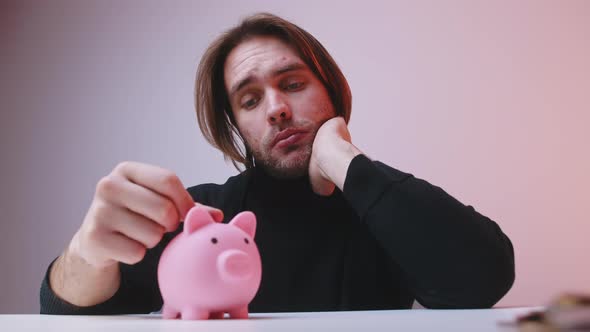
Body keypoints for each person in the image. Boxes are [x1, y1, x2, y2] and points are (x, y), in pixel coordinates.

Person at [40, 13, 515, 315]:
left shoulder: (388, 208)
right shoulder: (202, 216)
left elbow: (483, 280)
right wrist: (88, 251)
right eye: (250, 99)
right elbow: (66, 313)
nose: (275, 109)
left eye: (292, 84)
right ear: (237, 126)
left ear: (332, 90)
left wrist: (342, 156)